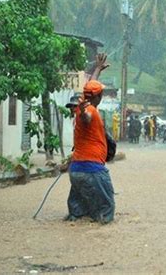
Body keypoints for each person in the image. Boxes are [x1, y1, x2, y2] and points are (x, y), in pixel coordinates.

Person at [65, 80, 115, 224]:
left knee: (78, 212)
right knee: (107, 209)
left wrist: (98, 68)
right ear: (98, 97)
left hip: (75, 171)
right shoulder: (89, 111)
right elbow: (87, 118)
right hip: (92, 170)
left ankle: (75, 218)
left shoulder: (84, 108)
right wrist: (83, 113)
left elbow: (90, 87)